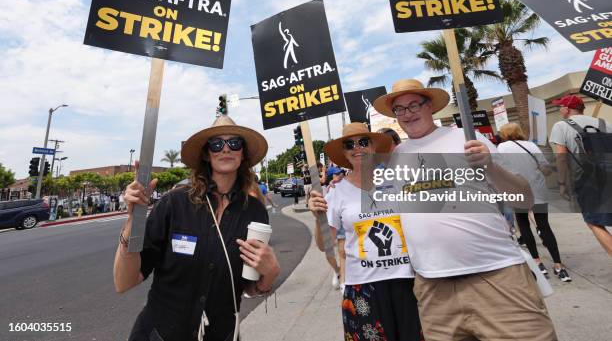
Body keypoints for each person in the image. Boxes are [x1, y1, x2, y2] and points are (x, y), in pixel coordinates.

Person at [372, 79, 556, 341]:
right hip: (434, 291)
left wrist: (490, 166)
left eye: (414, 105)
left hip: (496, 277)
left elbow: (524, 200)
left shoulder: (467, 139)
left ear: (430, 106)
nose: (407, 113)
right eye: (400, 109)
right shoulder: (396, 157)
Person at [114, 116, 281, 341]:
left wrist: (270, 273)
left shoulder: (255, 212)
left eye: (234, 143)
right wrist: (133, 221)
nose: (225, 149)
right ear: (206, 153)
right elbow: (124, 281)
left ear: (243, 154)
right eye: (216, 143)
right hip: (160, 334)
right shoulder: (174, 203)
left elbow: (250, 287)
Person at [309, 123, 422, 340]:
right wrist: (317, 218)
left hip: (407, 281)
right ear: (344, 152)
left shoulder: (397, 181)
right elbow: (325, 244)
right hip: (362, 287)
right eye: (349, 144)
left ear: (372, 147)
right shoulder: (336, 192)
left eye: (363, 142)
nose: (356, 148)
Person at [497, 122, 571, 282]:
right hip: (538, 190)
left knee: (524, 226)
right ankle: (559, 266)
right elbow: (545, 168)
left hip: (516, 190)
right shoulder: (530, 145)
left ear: (504, 134)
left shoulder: (501, 148)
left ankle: (538, 263)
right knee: (544, 226)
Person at [549, 94, 612, 256]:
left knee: (594, 222)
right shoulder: (605, 124)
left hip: (588, 183)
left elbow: (561, 158)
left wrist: (562, 184)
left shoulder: (560, 126)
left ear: (568, 109)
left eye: (560, 106)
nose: (559, 109)